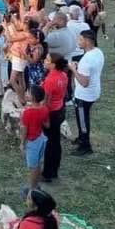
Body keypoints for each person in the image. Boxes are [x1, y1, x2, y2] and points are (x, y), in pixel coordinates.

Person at [68, 29, 103, 156]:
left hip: (84, 96)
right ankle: (81, 137)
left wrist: (73, 69)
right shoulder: (98, 52)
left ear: (87, 41)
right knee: (83, 118)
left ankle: (85, 146)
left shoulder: (87, 59)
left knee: (83, 120)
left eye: (80, 39)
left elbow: (84, 82)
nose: (78, 41)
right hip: (94, 91)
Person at [41, 54, 69, 182]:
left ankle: (47, 173)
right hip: (59, 110)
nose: (44, 61)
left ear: (53, 64)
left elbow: (46, 102)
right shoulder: (63, 75)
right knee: (55, 142)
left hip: (51, 113)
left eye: (47, 60)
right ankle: (54, 170)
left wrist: (43, 118)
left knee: (49, 144)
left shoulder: (50, 80)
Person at [21, 85, 49, 192]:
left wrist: (22, 143)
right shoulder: (44, 109)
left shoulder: (27, 113)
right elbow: (47, 125)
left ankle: (32, 190)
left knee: (33, 167)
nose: (26, 93)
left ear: (32, 97)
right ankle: (36, 184)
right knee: (38, 163)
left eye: (28, 92)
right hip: (41, 138)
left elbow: (24, 130)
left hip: (32, 142)